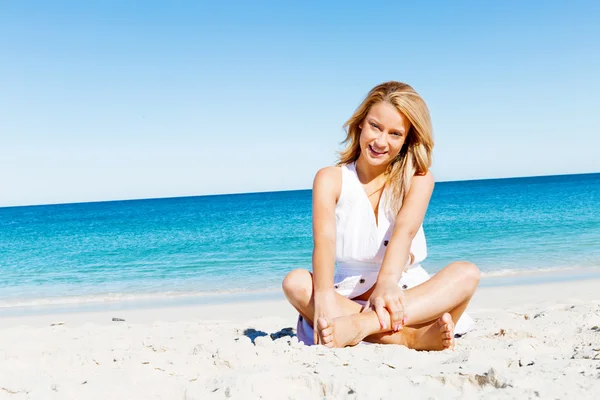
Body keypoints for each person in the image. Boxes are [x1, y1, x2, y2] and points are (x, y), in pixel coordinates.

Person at [282, 81, 479, 350]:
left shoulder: (419, 179)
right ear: (361, 123)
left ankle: (363, 327)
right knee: (296, 282)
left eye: (395, 133)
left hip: (407, 296)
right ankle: (408, 337)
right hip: (347, 297)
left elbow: (404, 232)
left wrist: (387, 283)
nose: (380, 141)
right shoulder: (330, 178)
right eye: (375, 126)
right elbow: (324, 240)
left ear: (408, 139)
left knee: (467, 273)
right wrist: (326, 296)